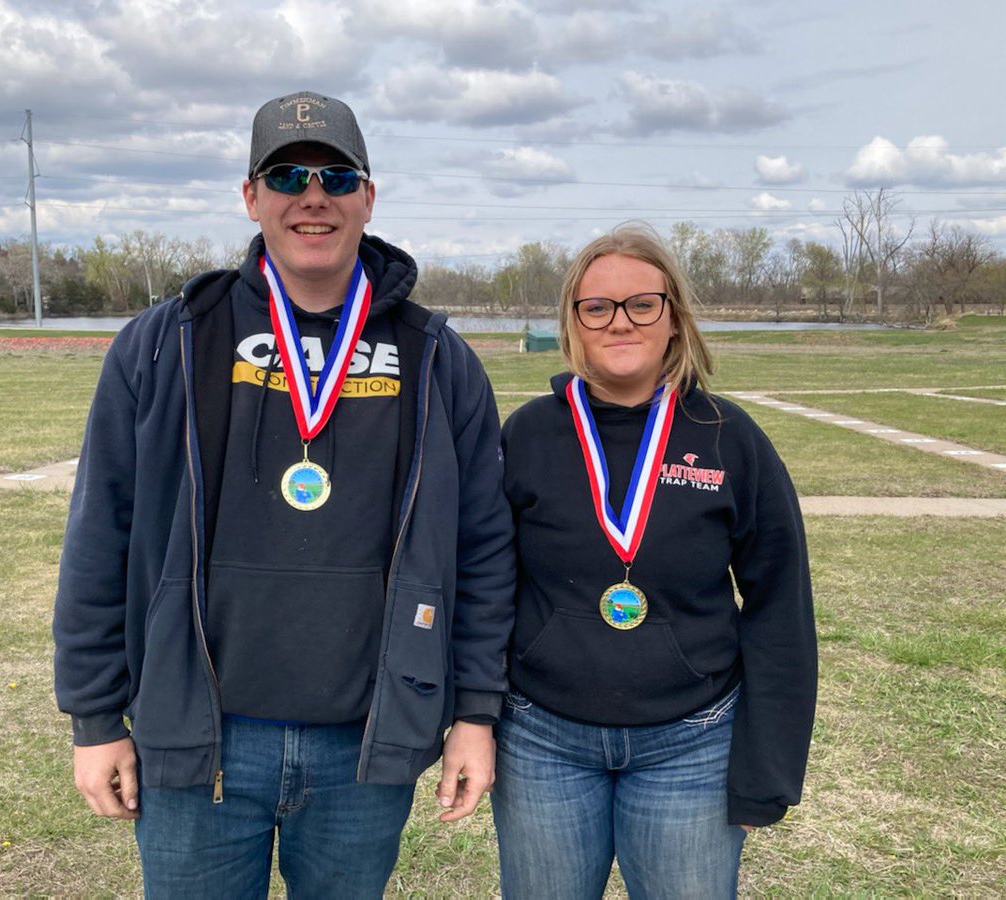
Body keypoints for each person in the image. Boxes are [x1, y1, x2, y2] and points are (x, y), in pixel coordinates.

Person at [52, 91, 514, 898]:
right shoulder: (168, 341)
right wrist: (95, 719)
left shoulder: (436, 357)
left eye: (337, 177)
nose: (313, 196)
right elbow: (102, 532)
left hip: (362, 746)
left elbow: (482, 549)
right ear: (251, 196)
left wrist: (474, 711)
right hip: (201, 738)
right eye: (288, 175)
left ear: (368, 197)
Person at [491, 223, 816, 899]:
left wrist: (768, 768)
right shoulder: (528, 433)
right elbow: (485, 586)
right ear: (574, 322)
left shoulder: (729, 437)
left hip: (692, 744)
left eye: (643, 304)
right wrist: (472, 717)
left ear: (674, 317)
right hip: (542, 740)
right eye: (597, 307)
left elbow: (780, 606)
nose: (620, 322)